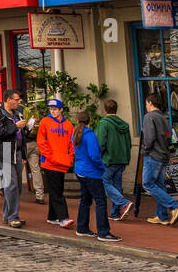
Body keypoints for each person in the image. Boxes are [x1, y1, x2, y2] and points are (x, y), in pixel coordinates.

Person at [72, 111, 121, 241]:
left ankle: (82, 228)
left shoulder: (76, 134)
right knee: (100, 201)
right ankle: (103, 232)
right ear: (90, 121)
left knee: (85, 200)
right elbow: (94, 156)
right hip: (91, 172)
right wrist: (101, 167)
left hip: (80, 170)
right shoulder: (90, 135)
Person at [141, 92, 178, 225]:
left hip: (153, 155)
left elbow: (149, 138)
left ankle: (174, 206)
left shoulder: (149, 117)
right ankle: (162, 216)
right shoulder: (165, 119)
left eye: (146, 104)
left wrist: (145, 150)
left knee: (147, 184)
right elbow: (169, 137)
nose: (146, 106)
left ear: (150, 103)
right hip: (164, 155)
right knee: (159, 185)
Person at [0, 89, 28, 228]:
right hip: (4, 151)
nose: (19, 102)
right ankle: (13, 216)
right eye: (16, 100)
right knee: (11, 184)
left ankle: (7, 215)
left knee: (16, 186)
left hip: (16, 151)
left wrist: (23, 154)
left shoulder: (18, 113)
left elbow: (21, 135)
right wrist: (15, 126)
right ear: (8, 99)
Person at [36, 97, 75, 228]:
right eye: (51, 109)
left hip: (63, 163)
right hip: (50, 163)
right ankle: (63, 218)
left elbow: (72, 144)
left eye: (55, 109)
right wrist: (51, 157)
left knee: (56, 189)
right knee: (57, 191)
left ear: (61, 110)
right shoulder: (45, 122)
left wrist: (69, 158)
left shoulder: (68, 125)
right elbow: (41, 142)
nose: (53, 111)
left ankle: (52, 217)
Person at [96, 99, 133, 221]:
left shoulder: (104, 123)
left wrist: (97, 158)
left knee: (104, 182)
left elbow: (101, 143)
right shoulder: (124, 124)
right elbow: (129, 144)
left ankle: (124, 203)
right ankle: (115, 213)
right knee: (117, 185)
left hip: (109, 159)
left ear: (105, 109)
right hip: (122, 159)